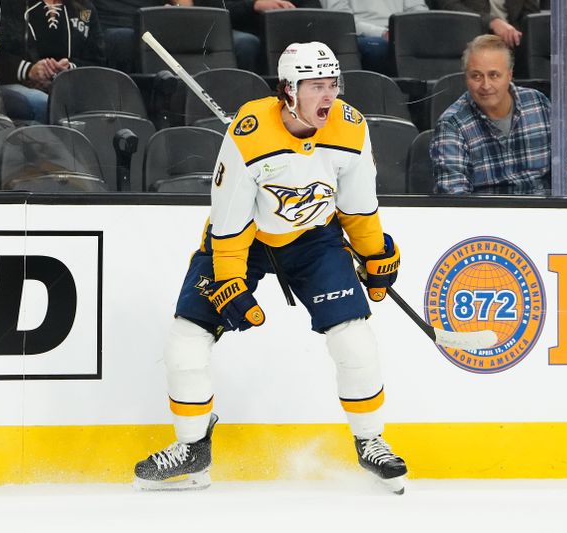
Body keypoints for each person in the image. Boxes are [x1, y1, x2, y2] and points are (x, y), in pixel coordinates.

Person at [133, 41, 407, 494]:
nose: (328, 96)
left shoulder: (351, 128)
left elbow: (358, 208)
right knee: (186, 340)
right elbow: (229, 223)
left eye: (332, 84)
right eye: (315, 86)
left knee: (355, 339)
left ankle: (371, 441)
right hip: (246, 240)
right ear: (288, 91)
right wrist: (230, 282)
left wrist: (375, 254)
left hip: (314, 239)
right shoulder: (248, 134)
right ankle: (192, 447)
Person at [431, 34, 567, 195]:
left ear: (509, 75)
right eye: (476, 76)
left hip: (543, 214)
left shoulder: (538, 103)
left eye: (494, 75)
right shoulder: (451, 124)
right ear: (466, 78)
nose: (486, 85)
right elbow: (454, 196)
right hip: (486, 217)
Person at [0, 0, 106, 124]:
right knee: (46, 103)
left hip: (69, 86)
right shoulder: (10, 5)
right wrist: (30, 70)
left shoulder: (85, 8)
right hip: (18, 83)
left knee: (99, 104)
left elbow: (97, 61)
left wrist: (69, 69)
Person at [324, 0, 428, 74]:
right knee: (377, 47)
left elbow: (417, 10)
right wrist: (382, 33)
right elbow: (341, 18)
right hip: (361, 33)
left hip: (400, 31)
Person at [433, 0, 538, 48]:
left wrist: (513, 35)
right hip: (466, 38)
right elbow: (449, 6)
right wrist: (491, 22)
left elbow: (530, 14)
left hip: (512, 44)